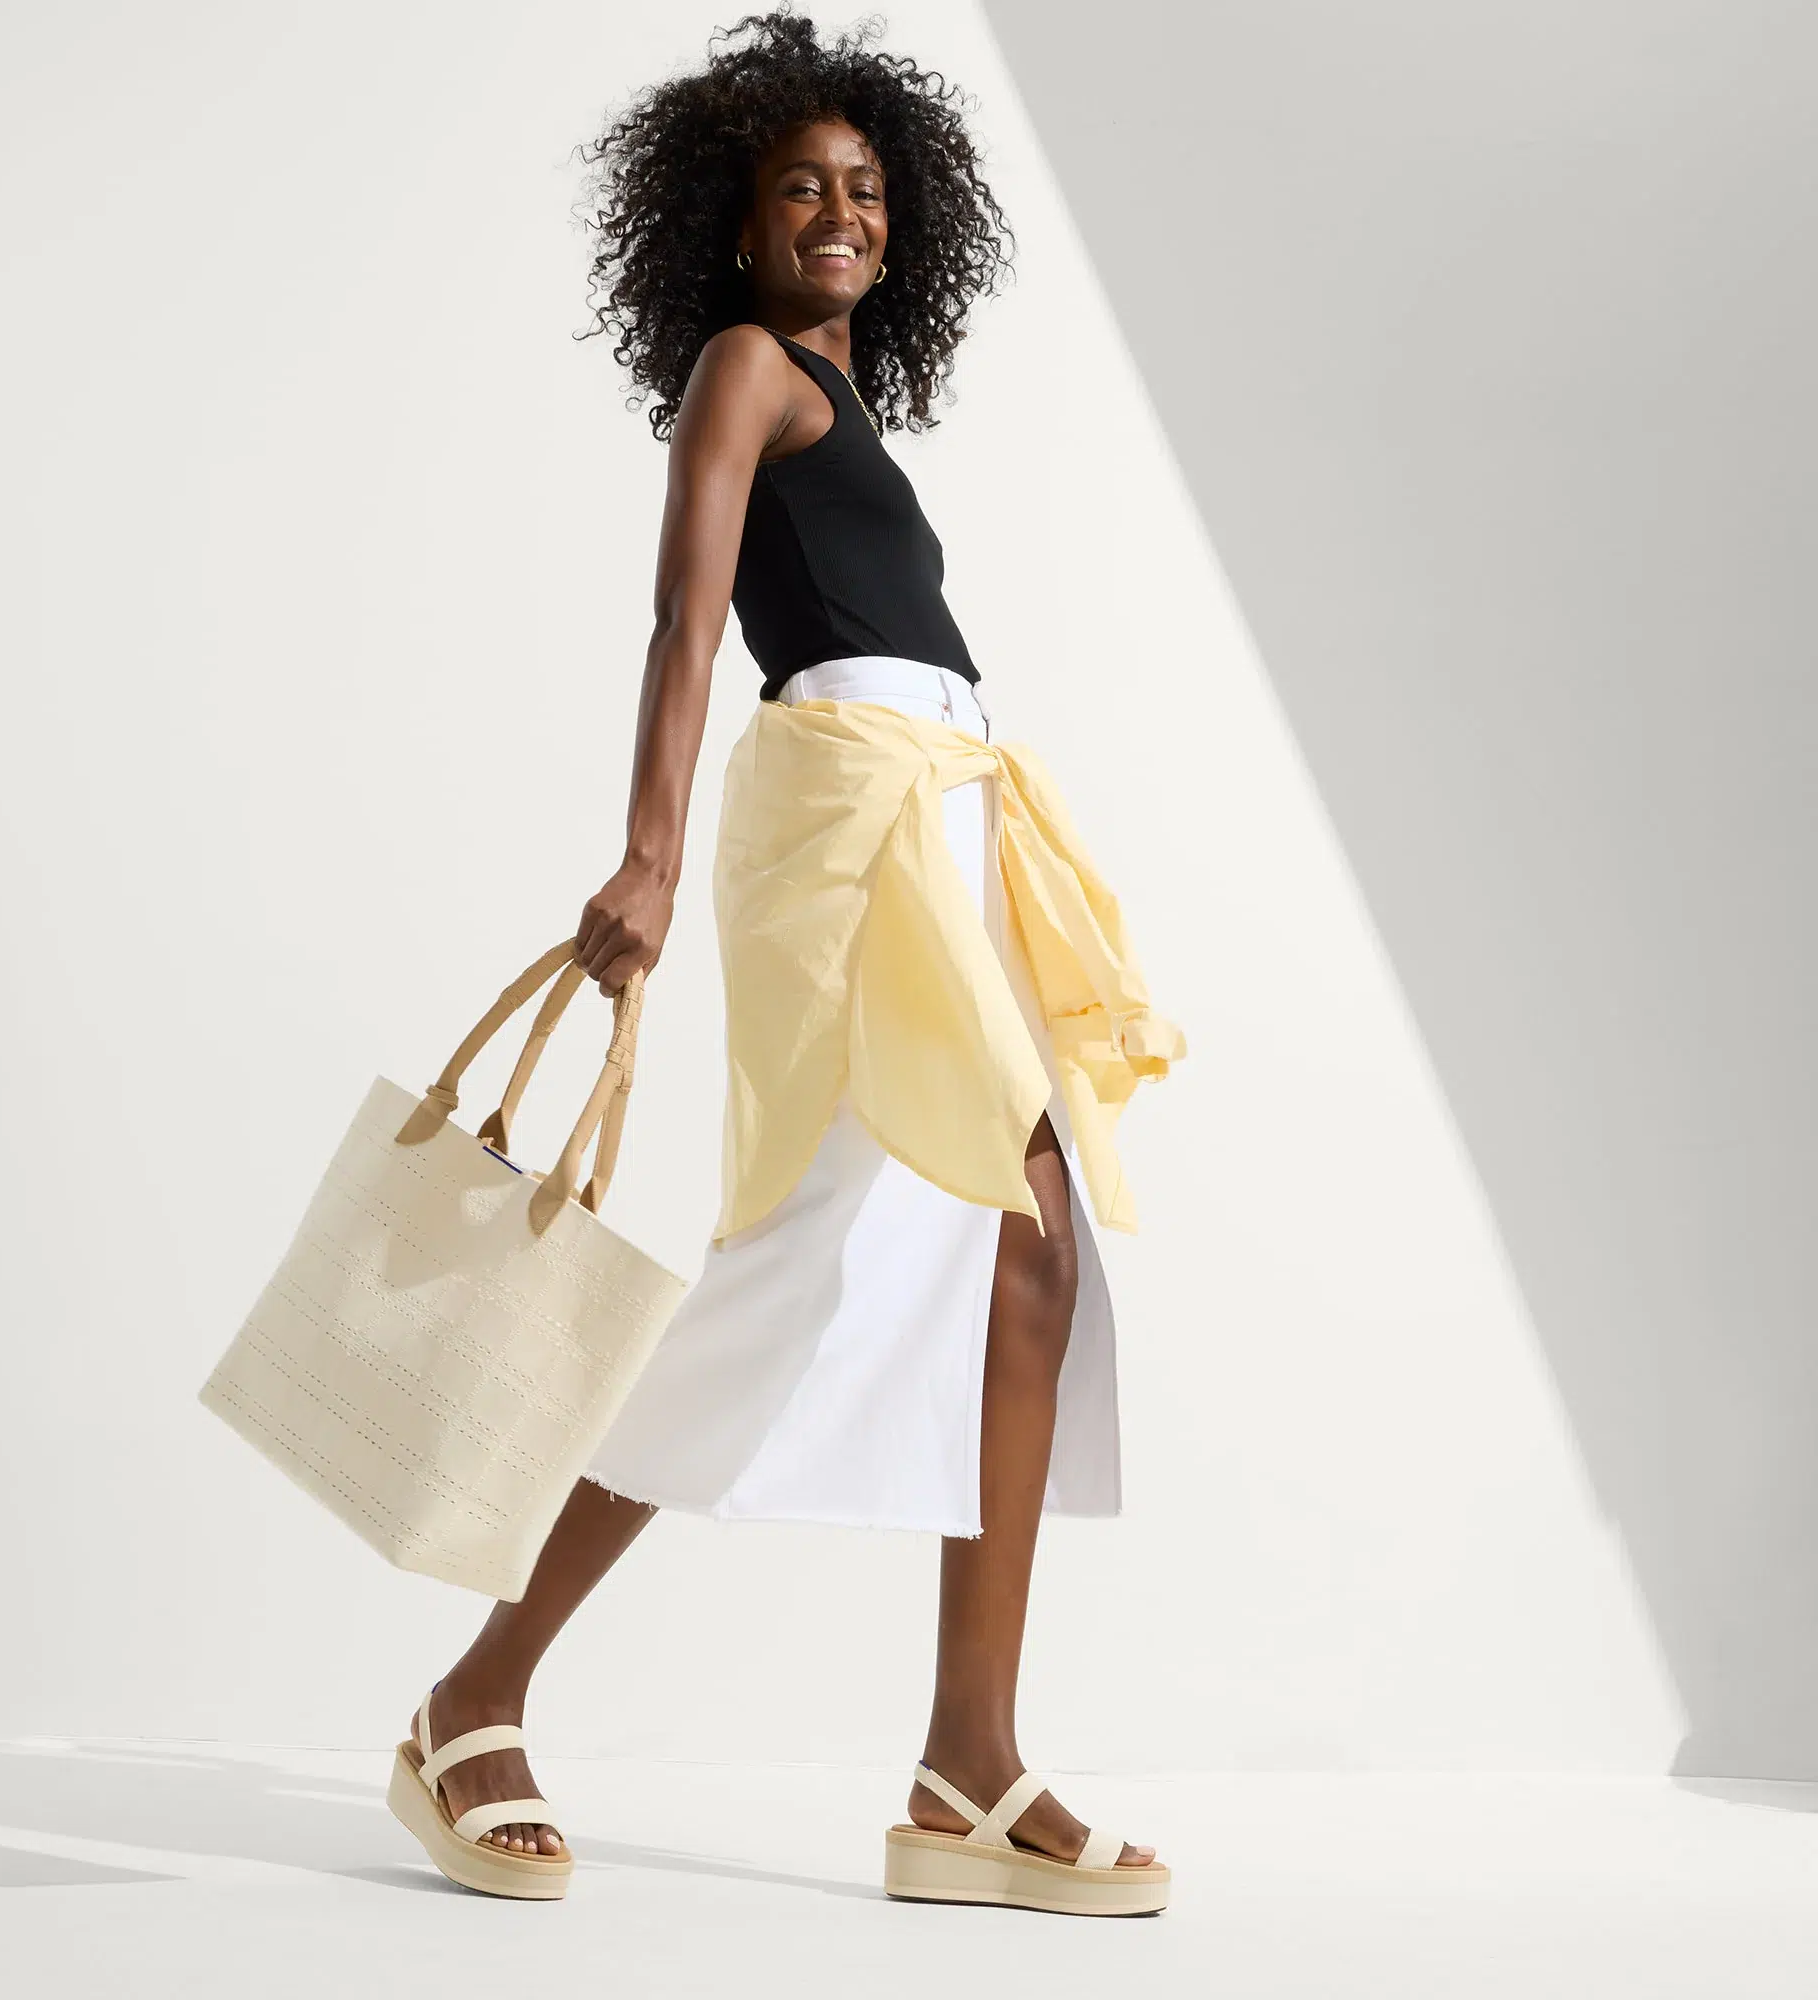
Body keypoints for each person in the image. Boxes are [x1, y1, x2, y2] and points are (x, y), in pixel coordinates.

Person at [388, 13, 1184, 1916]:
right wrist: (649, 855)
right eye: (801, 188)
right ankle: (472, 1699)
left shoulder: (852, 399)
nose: (840, 211)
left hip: (941, 818)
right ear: (736, 226)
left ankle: (968, 1759)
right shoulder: (744, 369)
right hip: (849, 825)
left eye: (867, 189)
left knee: (1032, 1248)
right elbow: (686, 621)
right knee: (803, 1269)